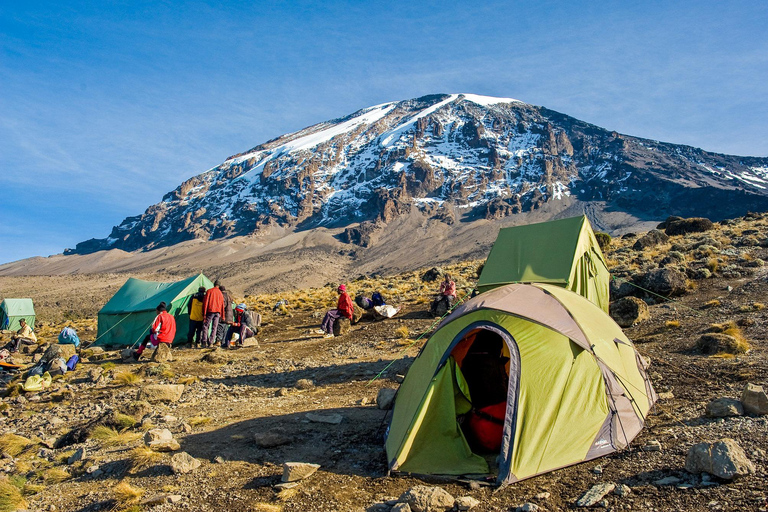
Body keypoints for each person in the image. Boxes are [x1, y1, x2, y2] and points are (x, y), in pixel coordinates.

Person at [201, 280, 226, 348]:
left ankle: (204, 341)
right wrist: (222, 315)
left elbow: (205, 303)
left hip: (210, 311)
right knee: (214, 327)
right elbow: (222, 305)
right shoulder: (220, 293)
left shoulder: (209, 291)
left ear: (214, 284)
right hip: (218, 312)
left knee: (206, 326)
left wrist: (204, 313)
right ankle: (211, 342)